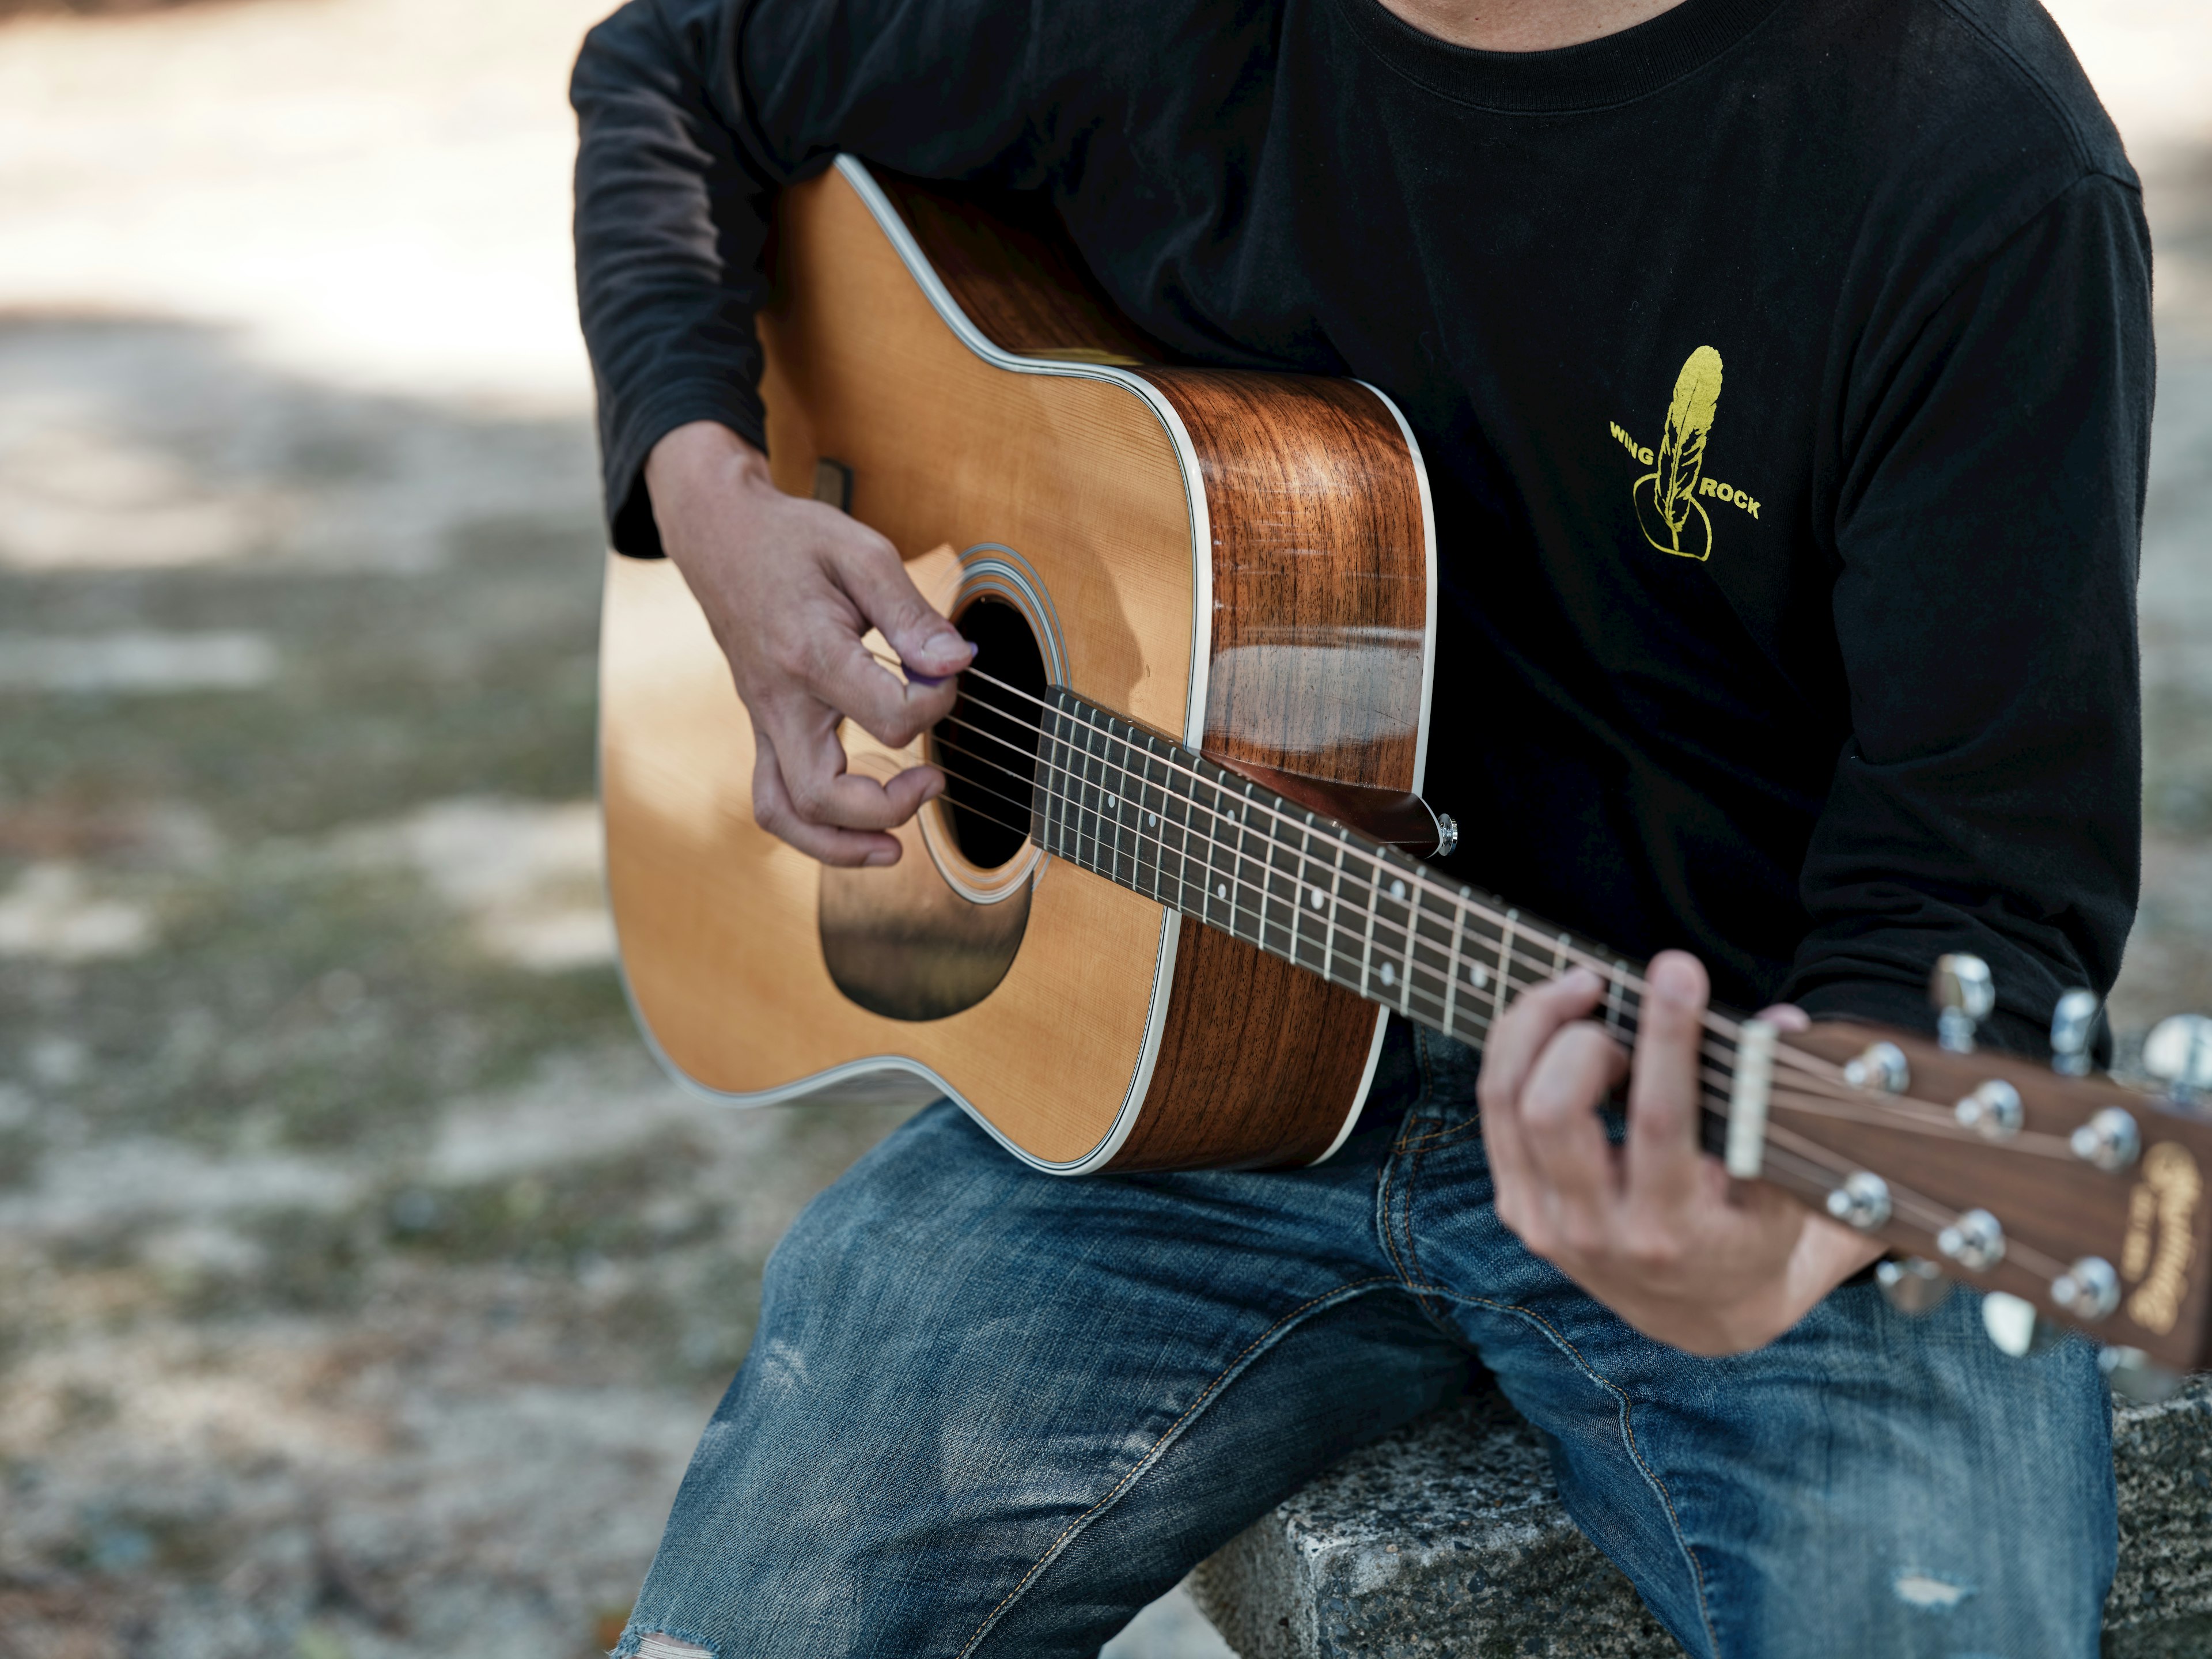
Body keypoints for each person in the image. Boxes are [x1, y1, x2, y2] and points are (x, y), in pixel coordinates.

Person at [570, 0, 2151, 1650]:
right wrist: (716, 502)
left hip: (1759, 1108)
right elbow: (670, 72)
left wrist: (1782, 1237)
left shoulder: (1968, 158)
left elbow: (1982, 902)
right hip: (1201, 1075)